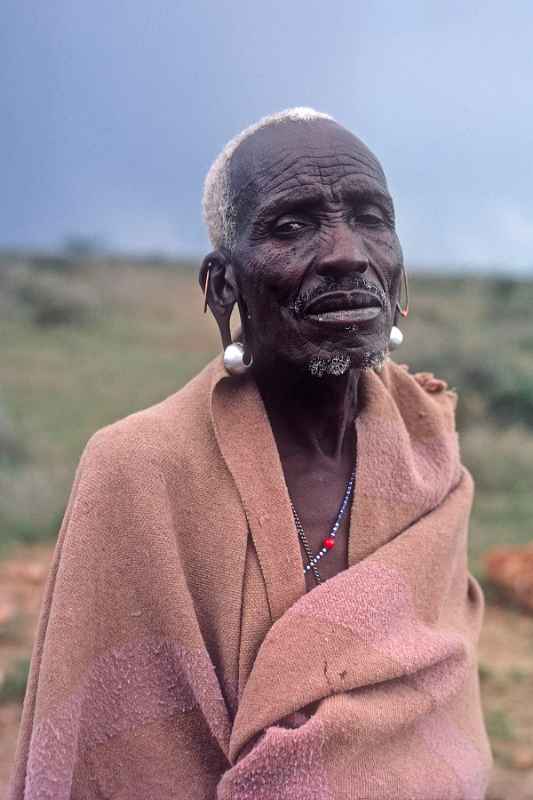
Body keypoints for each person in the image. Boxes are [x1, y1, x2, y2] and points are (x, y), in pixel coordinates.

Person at [9, 108, 492, 799]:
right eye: (291, 226)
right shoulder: (137, 469)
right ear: (222, 285)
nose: (346, 253)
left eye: (370, 218)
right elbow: (110, 754)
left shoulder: (428, 462)